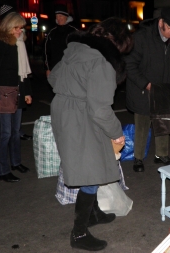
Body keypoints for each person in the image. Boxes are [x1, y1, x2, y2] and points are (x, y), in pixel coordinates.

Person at [48, 17, 133, 251]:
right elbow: (100, 108)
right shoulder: (101, 62)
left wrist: (74, 91)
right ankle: (79, 233)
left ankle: (94, 214)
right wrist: (117, 134)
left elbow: (53, 77)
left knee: (92, 167)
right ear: (115, 42)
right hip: (81, 116)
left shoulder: (75, 49)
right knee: (92, 171)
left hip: (65, 111)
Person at [125, 7, 170, 173]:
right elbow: (130, 65)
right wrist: (146, 83)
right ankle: (138, 158)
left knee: (163, 122)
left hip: (165, 88)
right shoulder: (142, 37)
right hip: (144, 89)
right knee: (142, 124)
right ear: (161, 23)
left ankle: (162, 155)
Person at [0, 7, 32, 183]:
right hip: (4, 91)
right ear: (8, 26)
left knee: (16, 131)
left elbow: (23, 73)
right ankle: (2, 170)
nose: (20, 31)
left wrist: (27, 92)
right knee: (4, 133)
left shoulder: (19, 44)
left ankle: (16, 162)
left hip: (18, 89)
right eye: (16, 28)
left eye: (21, 28)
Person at [44, 4, 78, 77]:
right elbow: (47, 52)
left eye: (60, 16)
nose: (58, 18)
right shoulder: (52, 33)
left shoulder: (73, 32)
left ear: (66, 17)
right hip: (55, 69)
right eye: (57, 16)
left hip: (70, 70)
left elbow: (79, 51)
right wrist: (48, 69)